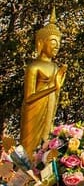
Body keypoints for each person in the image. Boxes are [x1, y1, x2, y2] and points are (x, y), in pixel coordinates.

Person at [21, 9, 67, 156]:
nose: (56, 46)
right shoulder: (34, 66)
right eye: (53, 42)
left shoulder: (55, 67)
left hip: (49, 108)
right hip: (34, 110)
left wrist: (56, 89)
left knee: (44, 144)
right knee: (30, 149)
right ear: (41, 43)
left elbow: (56, 92)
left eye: (59, 43)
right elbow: (28, 98)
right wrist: (53, 87)